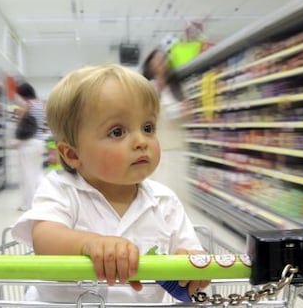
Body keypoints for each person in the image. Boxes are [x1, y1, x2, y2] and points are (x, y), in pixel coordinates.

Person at [11, 64, 208, 303]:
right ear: (72, 155)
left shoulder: (164, 201)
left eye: (148, 128)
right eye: (117, 132)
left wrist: (192, 268)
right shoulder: (61, 189)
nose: (141, 141)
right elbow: (45, 240)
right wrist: (91, 244)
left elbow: (192, 254)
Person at [142, 48, 188, 203]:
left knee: (176, 190)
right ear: (150, 65)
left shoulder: (176, 89)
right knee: (158, 189)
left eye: (163, 60)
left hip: (176, 146)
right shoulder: (147, 87)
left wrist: (185, 111)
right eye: (157, 60)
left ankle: (174, 223)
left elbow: (186, 115)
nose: (161, 63)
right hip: (156, 146)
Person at [15, 82, 45, 211]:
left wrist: (19, 114)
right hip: (40, 142)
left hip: (28, 143)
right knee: (37, 173)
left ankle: (28, 204)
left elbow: (20, 121)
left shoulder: (28, 105)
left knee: (27, 175)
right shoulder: (41, 104)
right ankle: (40, 201)